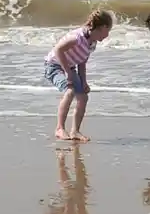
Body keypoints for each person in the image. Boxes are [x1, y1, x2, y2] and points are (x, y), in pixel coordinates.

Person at [44, 9, 114, 142]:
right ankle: (59, 128)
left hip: (69, 67)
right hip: (54, 66)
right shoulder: (77, 37)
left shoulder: (91, 43)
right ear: (102, 27)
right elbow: (58, 49)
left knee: (83, 97)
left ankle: (75, 131)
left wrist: (84, 82)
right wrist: (68, 73)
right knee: (70, 91)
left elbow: (81, 63)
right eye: (108, 31)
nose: (107, 35)